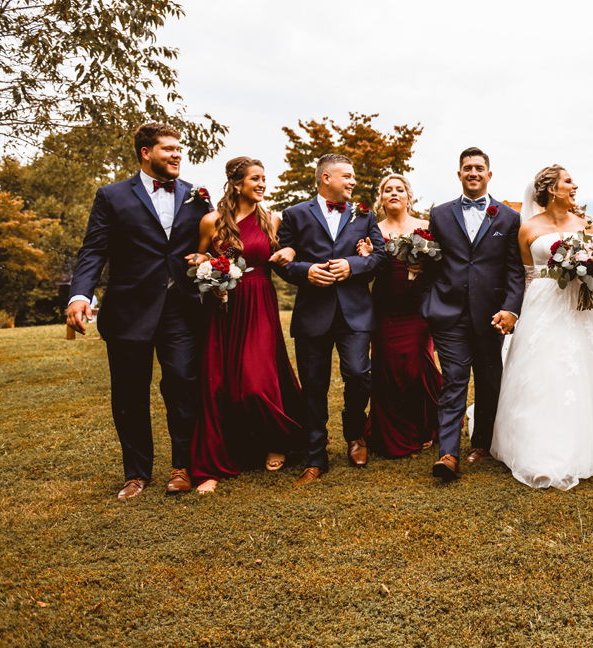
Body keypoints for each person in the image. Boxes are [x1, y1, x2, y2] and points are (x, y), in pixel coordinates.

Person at [66, 123, 211, 499]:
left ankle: (182, 466)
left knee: (182, 384)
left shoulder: (198, 195)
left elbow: (216, 241)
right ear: (146, 153)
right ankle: (136, 473)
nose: (177, 154)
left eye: (179, 148)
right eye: (168, 149)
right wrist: (80, 295)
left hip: (181, 308)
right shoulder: (111, 196)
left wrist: (212, 261)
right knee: (129, 394)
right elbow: (93, 251)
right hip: (129, 310)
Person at [490, 166, 593, 490]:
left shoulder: (585, 225)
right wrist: (520, 313)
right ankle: (540, 455)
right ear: (551, 188)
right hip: (543, 305)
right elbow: (526, 275)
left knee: (584, 373)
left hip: (585, 305)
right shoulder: (527, 229)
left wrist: (589, 268)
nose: (575, 185)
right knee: (544, 375)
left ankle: (584, 441)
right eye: (569, 181)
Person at [186, 157, 307, 494]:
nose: (262, 184)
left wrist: (293, 252)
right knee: (218, 383)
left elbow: (289, 250)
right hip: (222, 306)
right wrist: (207, 269)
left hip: (259, 303)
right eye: (255, 178)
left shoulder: (272, 219)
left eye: (264, 179)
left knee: (257, 382)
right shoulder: (210, 222)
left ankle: (279, 440)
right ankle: (213, 461)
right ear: (237, 184)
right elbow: (198, 260)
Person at [273, 154, 387, 486]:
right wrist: (304, 271)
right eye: (347, 176)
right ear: (326, 178)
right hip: (313, 313)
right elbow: (282, 260)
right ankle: (314, 456)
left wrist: (354, 265)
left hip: (355, 312)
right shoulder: (294, 214)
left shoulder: (364, 215)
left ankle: (355, 434)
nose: (353, 182)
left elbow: (379, 257)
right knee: (314, 386)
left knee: (358, 373)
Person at [420, 148, 525, 481]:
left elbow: (514, 270)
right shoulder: (439, 214)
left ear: (489, 175)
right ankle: (448, 454)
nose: (473, 172)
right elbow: (430, 263)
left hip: (490, 315)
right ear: (459, 174)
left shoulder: (507, 217)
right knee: (454, 381)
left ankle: (482, 443)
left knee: (490, 381)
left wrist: (510, 308)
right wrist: (429, 304)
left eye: (479, 168)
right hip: (448, 313)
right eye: (467, 168)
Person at [353, 174, 443, 458]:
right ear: (381, 198)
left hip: (418, 310)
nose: (394, 193)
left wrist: (423, 265)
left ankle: (425, 426)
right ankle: (393, 433)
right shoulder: (373, 231)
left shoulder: (426, 227)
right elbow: (366, 272)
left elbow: (441, 265)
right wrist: (367, 256)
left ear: (408, 196)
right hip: (384, 310)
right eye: (388, 190)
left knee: (417, 370)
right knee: (388, 372)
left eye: (399, 189)